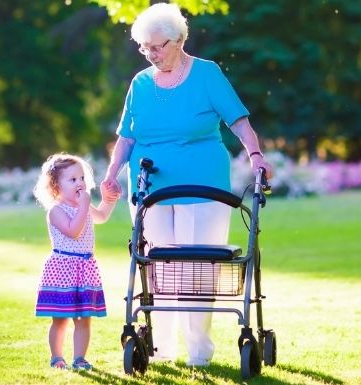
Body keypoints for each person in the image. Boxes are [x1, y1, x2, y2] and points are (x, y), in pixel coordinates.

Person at [100, 3, 275, 367]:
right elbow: (127, 137)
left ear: (179, 39)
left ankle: (199, 352)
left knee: (197, 268)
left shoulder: (207, 75)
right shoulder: (140, 83)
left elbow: (238, 121)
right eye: (143, 47)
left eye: (157, 46)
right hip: (150, 188)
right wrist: (111, 173)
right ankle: (162, 350)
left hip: (203, 185)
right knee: (157, 268)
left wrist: (256, 155)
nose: (150, 54)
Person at [33, 153, 121, 370]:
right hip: (63, 269)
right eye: (72, 180)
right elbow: (73, 231)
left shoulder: (83, 205)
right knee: (60, 319)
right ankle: (57, 357)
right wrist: (83, 206)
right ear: (55, 186)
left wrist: (108, 200)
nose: (80, 183)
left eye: (81, 178)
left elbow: (100, 217)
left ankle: (80, 358)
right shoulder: (56, 210)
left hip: (84, 268)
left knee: (84, 318)